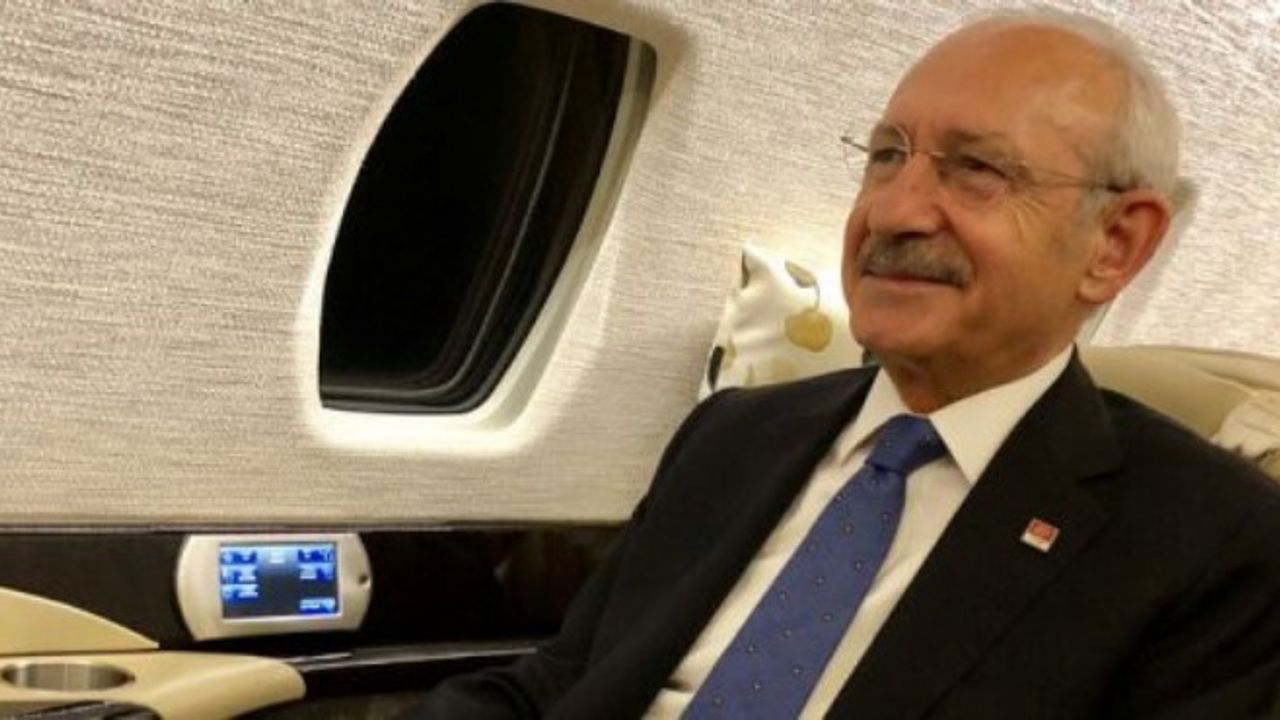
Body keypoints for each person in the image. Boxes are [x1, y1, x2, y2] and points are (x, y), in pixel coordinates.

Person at [405, 8, 1280, 718]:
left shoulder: (1216, 545)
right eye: (887, 155)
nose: (893, 212)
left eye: (977, 169)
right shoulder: (734, 434)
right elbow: (560, 684)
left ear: (1115, 244)